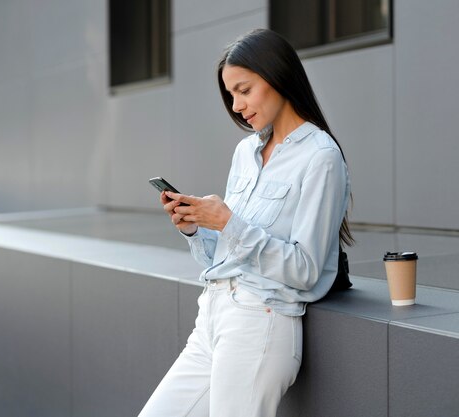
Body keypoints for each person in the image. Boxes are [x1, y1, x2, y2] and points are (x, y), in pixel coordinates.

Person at [138, 28, 353, 417]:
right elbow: (224, 255)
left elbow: (306, 270)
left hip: (260, 321)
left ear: (277, 77)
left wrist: (227, 222)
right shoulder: (246, 152)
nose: (236, 105)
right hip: (213, 315)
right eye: (231, 95)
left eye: (244, 90)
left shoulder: (321, 157)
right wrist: (196, 227)